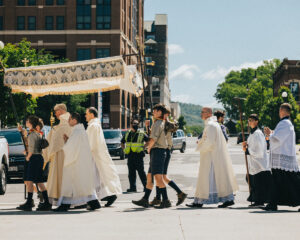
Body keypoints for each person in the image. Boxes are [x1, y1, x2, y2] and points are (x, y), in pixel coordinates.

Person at [186, 107, 238, 208]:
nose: (201, 114)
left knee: (207, 179)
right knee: (218, 179)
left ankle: (200, 201)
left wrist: (199, 146)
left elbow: (209, 142)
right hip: (213, 157)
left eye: (203, 112)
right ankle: (227, 199)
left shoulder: (211, 125)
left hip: (211, 157)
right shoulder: (212, 124)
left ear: (209, 113)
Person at [54, 113, 100, 212]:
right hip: (80, 163)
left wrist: (66, 142)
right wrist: (68, 141)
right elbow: (75, 146)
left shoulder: (77, 132)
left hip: (75, 164)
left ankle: (64, 204)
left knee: (70, 184)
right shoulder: (80, 131)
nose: (68, 121)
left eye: (70, 119)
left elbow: (70, 148)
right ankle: (93, 202)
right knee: (83, 185)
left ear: (74, 120)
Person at [132, 104, 171, 209]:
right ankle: (145, 199)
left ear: (159, 112)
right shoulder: (158, 123)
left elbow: (153, 138)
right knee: (149, 177)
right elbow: (153, 136)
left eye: (155, 111)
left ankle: (166, 200)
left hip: (158, 151)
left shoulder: (158, 123)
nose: (153, 112)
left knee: (158, 177)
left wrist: (148, 147)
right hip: (157, 152)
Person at [263, 103, 300, 211]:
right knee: (278, 182)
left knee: (291, 182)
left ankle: (272, 203)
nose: (279, 113)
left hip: (282, 158)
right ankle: (272, 203)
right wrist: (272, 133)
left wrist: (270, 134)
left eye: (279, 110)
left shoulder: (284, 123)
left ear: (282, 111)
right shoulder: (286, 123)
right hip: (281, 158)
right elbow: (278, 135)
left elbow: (277, 139)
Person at [150, 106, 187, 206]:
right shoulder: (164, 123)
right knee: (162, 176)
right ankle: (161, 198)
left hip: (164, 150)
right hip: (165, 150)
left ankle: (168, 197)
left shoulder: (165, 123)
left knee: (160, 176)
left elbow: (156, 137)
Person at [85, 107, 122, 207]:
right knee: (99, 178)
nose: (85, 116)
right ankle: (108, 196)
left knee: (95, 178)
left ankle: (96, 200)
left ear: (92, 114)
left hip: (94, 156)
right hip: (96, 155)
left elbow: (90, 143)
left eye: (87, 114)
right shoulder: (95, 125)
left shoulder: (93, 126)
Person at [17, 116, 51, 211]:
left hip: (33, 158)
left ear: (31, 123)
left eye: (27, 121)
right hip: (37, 158)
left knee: (32, 180)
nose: (26, 122)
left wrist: (28, 157)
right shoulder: (36, 133)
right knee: (35, 181)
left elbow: (31, 149)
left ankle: (32, 202)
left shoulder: (32, 134)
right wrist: (22, 131)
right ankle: (43, 202)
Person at [43, 103, 72, 206]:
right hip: (65, 152)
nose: (55, 114)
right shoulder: (66, 121)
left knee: (60, 175)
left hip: (61, 153)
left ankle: (62, 200)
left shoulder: (65, 121)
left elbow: (58, 136)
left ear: (61, 110)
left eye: (56, 111)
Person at [242, 114, 273, 207]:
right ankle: (257, 199)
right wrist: (246, 146)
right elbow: (252, 146)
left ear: (256, 121)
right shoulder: (252, 133)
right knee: (251, 180)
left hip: (260, 164)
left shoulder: (258, 133)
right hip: (254, 163)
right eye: (249, 120)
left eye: (251, 120)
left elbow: (259, 151)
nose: (249, 122)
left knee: (258, 183)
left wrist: (247, 150)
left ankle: (260, 201)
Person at [121, 120, 148, 192]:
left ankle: (146, 187)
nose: (135, 125)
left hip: (138, 155)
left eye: (136, 124)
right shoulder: (127, 133)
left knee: (141, 172)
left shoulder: (141, 133)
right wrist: (124, 149)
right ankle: (132, 188)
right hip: (130, 156)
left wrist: (143, 148)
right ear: (131, 124)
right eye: (133, 123)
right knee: (131, 173)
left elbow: (148, 141)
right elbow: (122, 142)